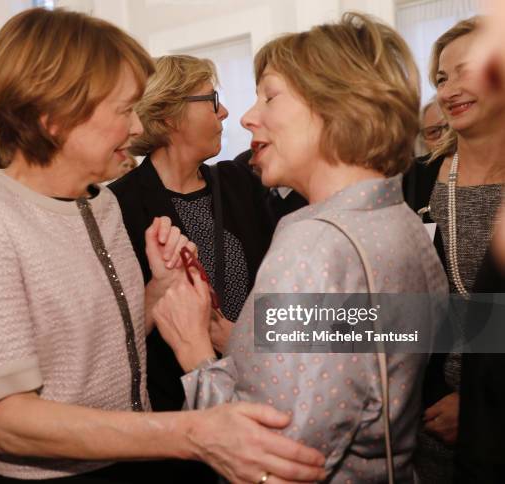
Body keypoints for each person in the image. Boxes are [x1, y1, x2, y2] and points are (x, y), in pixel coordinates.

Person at [0, 9, 324, 483]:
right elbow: (9, 424)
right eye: (122, 109)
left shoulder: (100, 204)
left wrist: (162, 291)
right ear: (56, 117)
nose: (137, 128)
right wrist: (194, 427)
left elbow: (105, 343)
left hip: (137, 455)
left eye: (269, 97)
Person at [151, 12, 449, 483]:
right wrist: (247, 341)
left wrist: (192, 350)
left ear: (336, 107)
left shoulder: (313, 245)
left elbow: (272, 464)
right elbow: (373, 349)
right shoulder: (401, 221)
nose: (247, 116)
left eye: (269, 96)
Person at [109, 55, 274, 414]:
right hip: (171, 411)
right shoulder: (116, 207)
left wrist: (243, 341)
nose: (228, 113)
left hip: (257, 390)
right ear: (168, 114)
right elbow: (113, 329)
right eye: (212, 100)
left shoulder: (241, 183)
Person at [403, 16, 505, 483]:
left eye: (465, 72)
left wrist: (480, 403)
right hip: (423, 433)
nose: (449, 90)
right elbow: (402, 311)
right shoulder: (416, 181)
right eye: (441, 78)